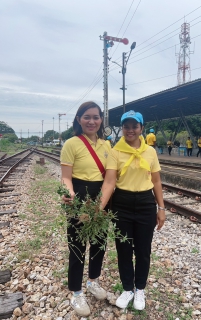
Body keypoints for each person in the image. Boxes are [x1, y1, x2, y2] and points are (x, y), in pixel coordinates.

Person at [100, 110, 165, 311]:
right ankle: (128, 288)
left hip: (146, 203)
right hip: (122, 203)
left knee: (143, 250)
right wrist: (98, 208)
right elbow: (110, 181)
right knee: (124, 249)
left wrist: (161, 207)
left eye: (134, 126)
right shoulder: (115, 151)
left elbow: (156, 180)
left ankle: (140, 289)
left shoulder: (151, 152)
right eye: (126, 126)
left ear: (141, 128)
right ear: (122, 128)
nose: (130, 130)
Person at [60, 101, 111, 317]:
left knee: (99, 242)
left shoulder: (107, 145)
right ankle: (77, 292)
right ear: (79, 119)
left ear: (101, 120)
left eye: (96, 117)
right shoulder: (71, 144)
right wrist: (71, 195)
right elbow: (65, 177)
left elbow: (110, 178)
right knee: (77, 245)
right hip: (79, 197)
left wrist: (100, 205)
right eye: (87, 117)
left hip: (101, 197)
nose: (92, 121)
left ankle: (93, 281)